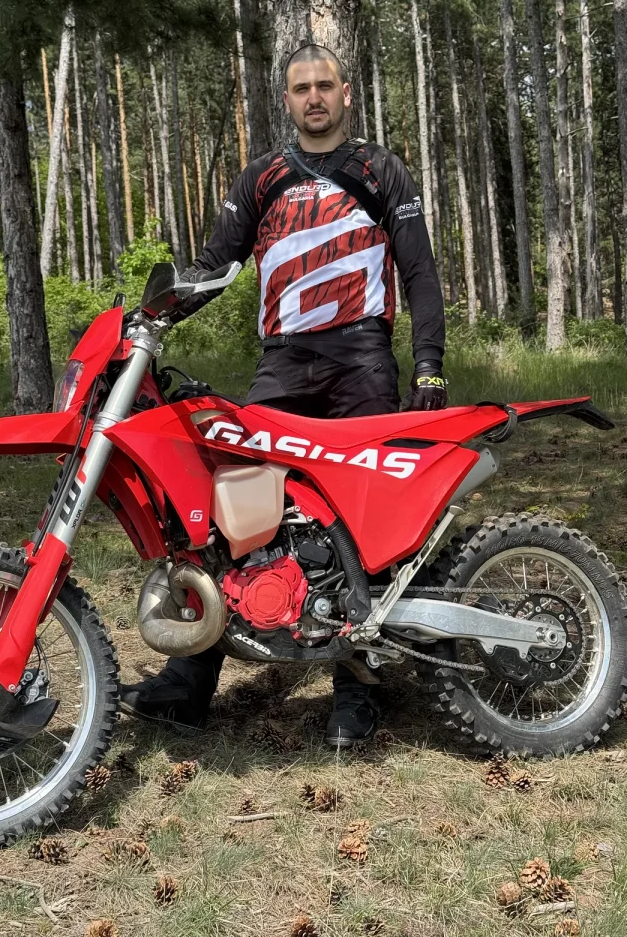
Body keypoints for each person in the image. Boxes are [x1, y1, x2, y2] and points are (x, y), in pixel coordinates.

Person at [120, 43, 447, 747]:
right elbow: (215, 267)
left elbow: (419, 274)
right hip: (284, 364)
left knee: (365, 531)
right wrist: (150, 318)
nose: (315, 97)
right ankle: (190, 680)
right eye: (302, 88)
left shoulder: (381, 171)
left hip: (363, 359)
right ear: (287, 98)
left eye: (326, 84)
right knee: (230, 515)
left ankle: (358, 691)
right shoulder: (263, 176)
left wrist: (429, 368)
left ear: (347, 93)